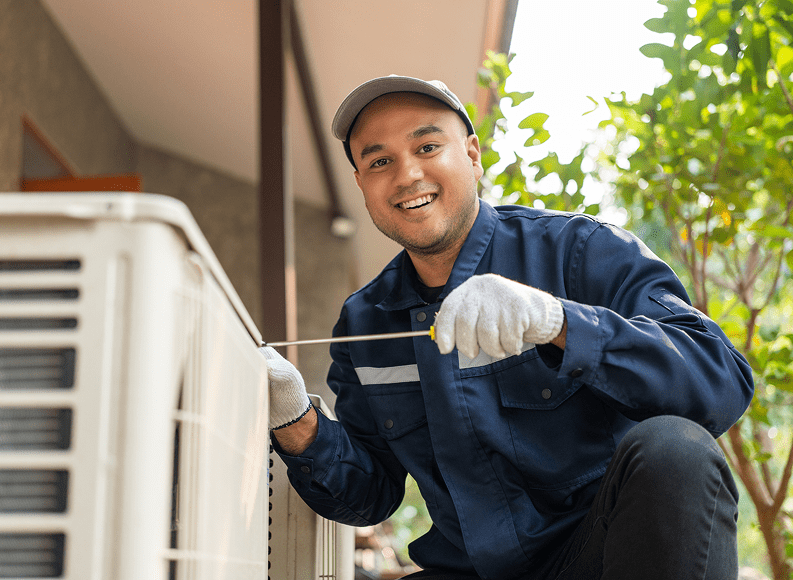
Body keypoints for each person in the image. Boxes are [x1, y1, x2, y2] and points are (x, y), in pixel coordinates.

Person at [261, 75, 754, 580]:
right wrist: (296, 421)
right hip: (468, 571)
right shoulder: (364, 324)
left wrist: (560, 321)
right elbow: (371, 496)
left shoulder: (581, 252)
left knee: (675, 450)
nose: (407, 175)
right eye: (379, 161)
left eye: (427, 146)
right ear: (363, 184)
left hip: (600, 558)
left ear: (472, 155)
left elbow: (719, 381)